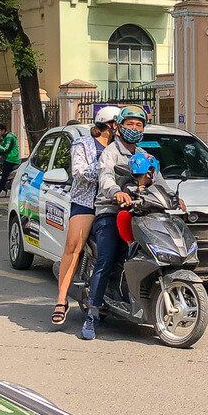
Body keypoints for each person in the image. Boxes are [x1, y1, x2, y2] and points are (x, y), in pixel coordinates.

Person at [80, 105, 161, 340]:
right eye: (130, 124)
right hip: (111, 212)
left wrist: (177, 199)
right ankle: (92, 313)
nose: (134, 129)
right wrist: (116, 191)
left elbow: (158, 182)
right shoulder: (110, 152)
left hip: (140, 213)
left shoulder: (145, 156)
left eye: (139, 125)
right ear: (120, 127)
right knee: (106, 258)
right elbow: (104, 176)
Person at [51, 106, 120, 326]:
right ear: (107, 125)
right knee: (73, 247)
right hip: (86, 203)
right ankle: (61, 300)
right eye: (117, 124)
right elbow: (79, 172)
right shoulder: (83, 144)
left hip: (113, 203)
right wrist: (105, 169)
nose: (120, 128)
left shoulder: (122, 147)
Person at [0, 123, 20, 198]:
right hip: (6, 158)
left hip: (11, 159)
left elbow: (5, 149)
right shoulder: (4, 137)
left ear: (3, 130)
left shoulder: (9, 137)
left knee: (4, 176)